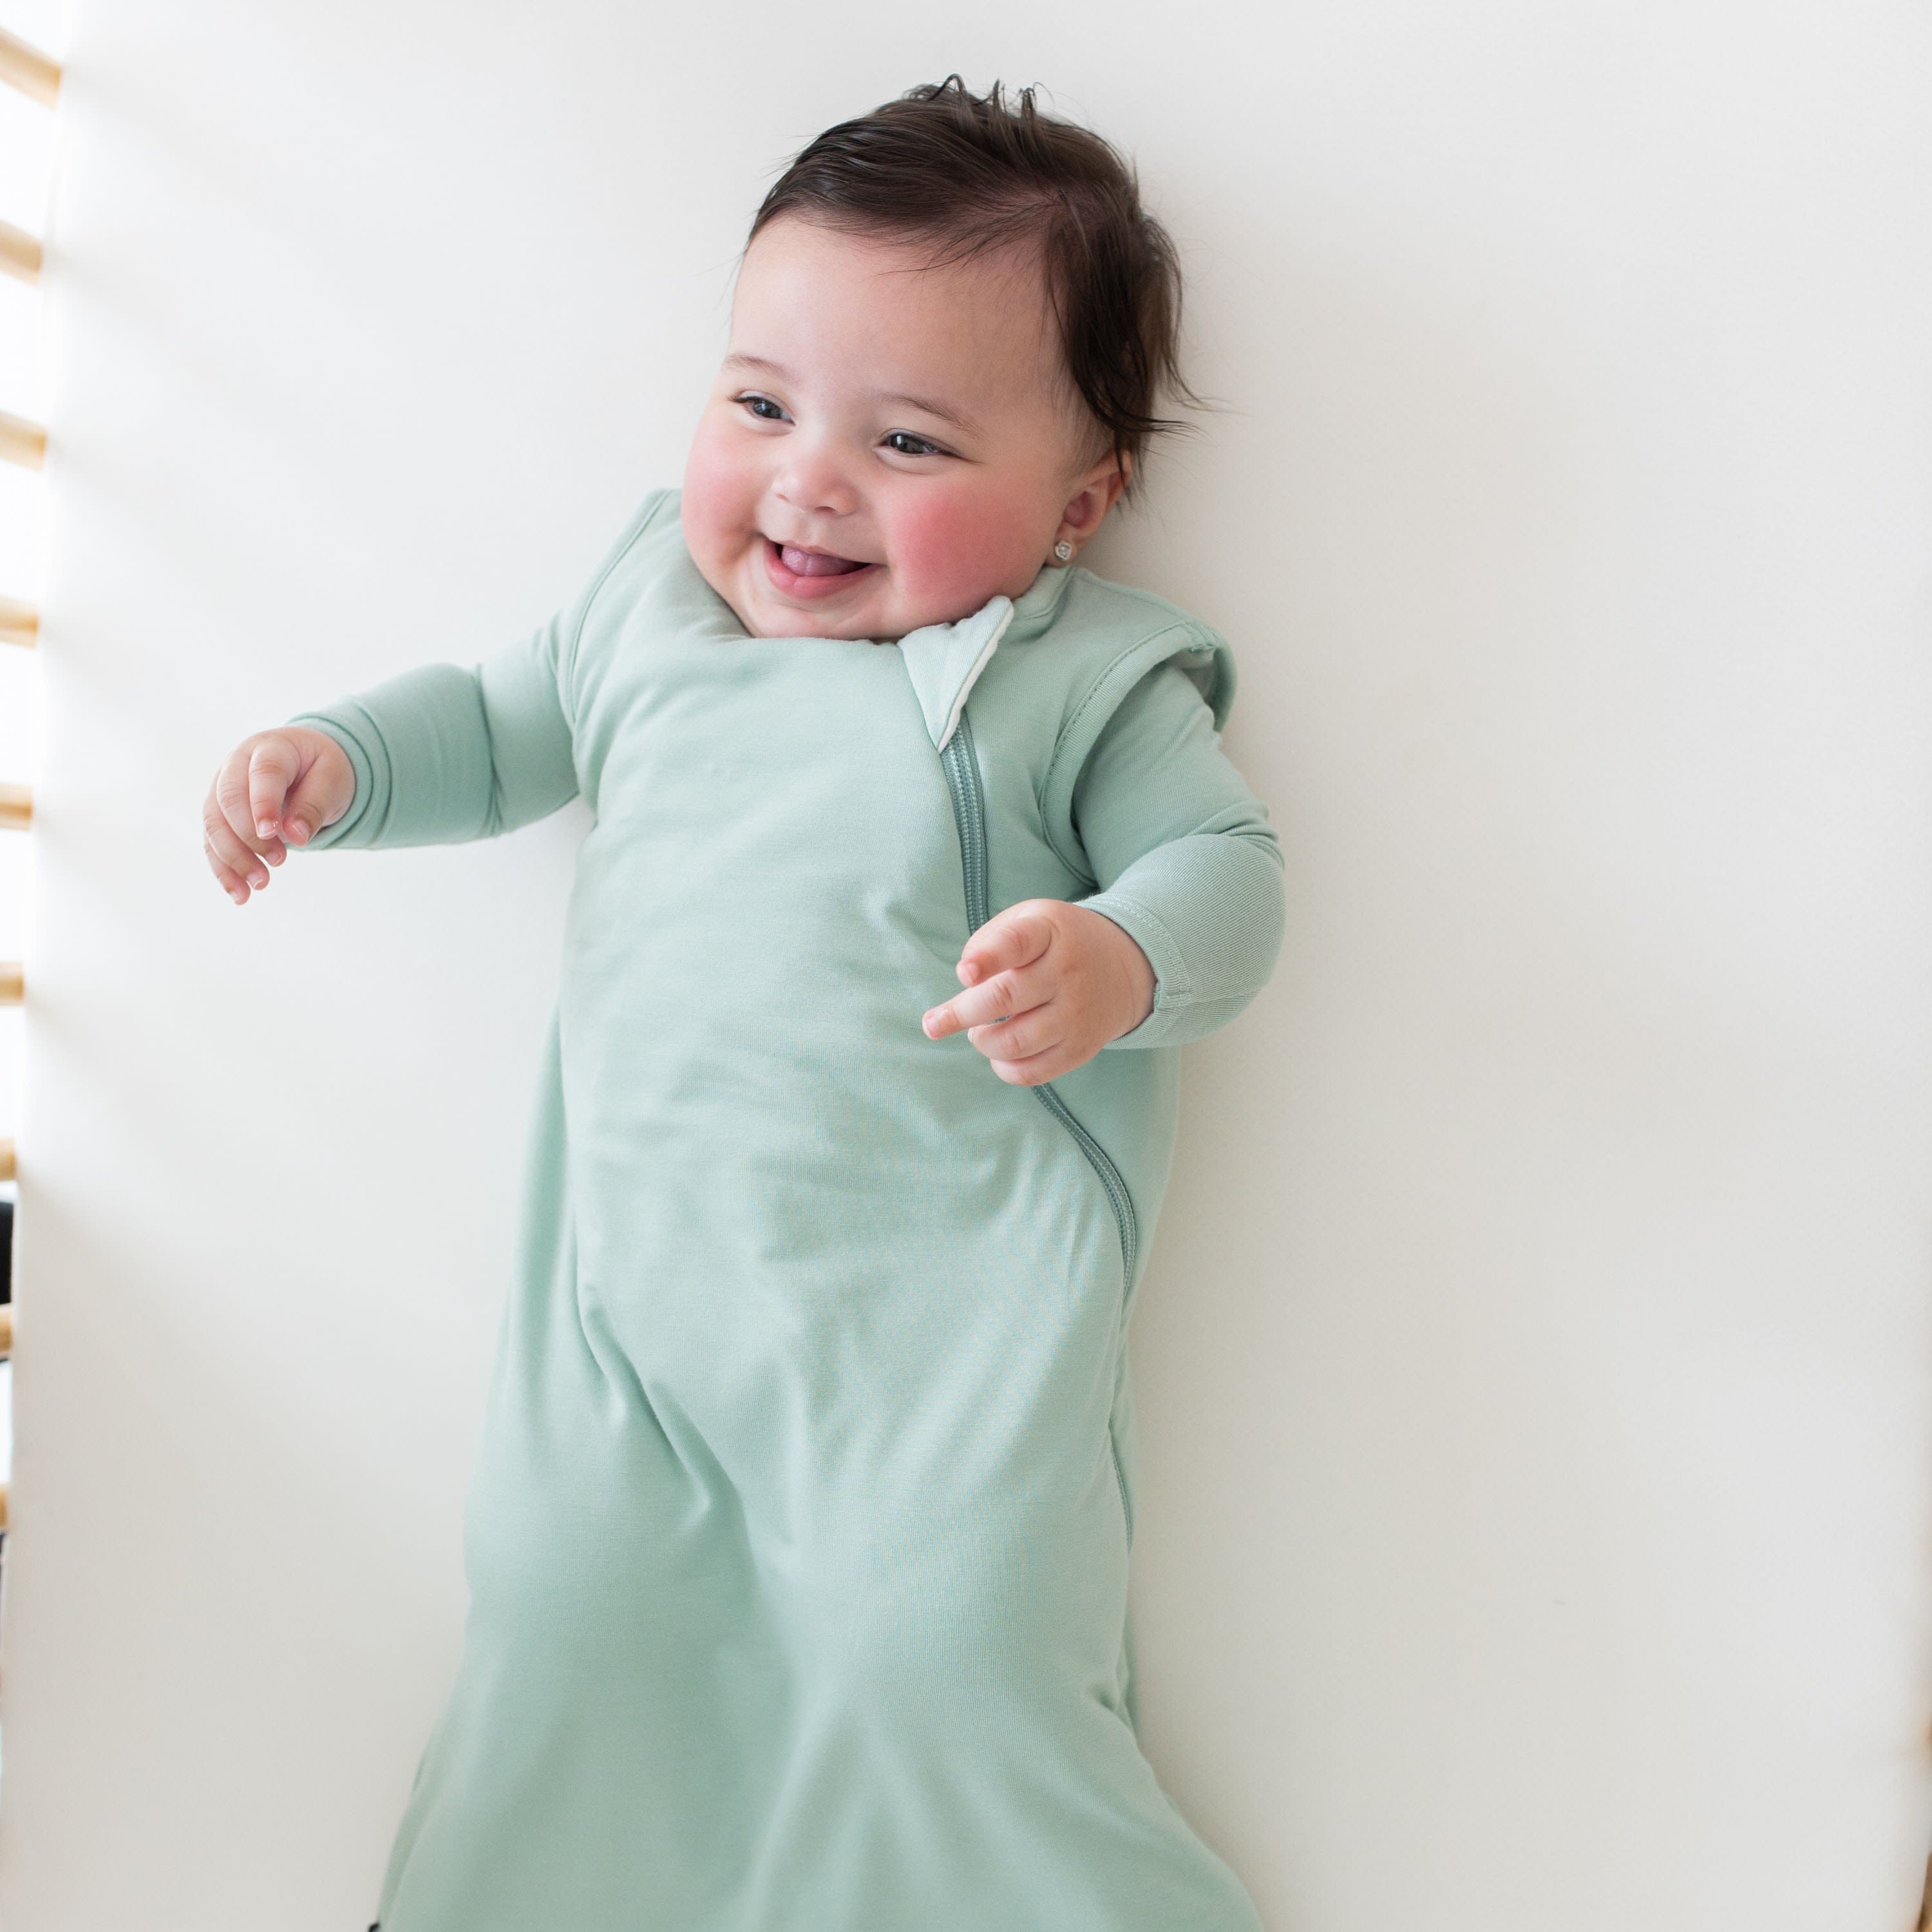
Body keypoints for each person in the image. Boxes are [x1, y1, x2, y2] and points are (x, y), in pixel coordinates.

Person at [203, 75, 1285, 1932]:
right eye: (761, 404)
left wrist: (1117, 960)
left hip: (943, 1347)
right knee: (561, 1611)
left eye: (910, 441)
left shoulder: (1075, 676)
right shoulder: (647, 606)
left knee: (948, 1655)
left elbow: (1231, 871)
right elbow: (497, 726)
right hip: (633, 1321)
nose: (810, 479)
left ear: (1082, 503)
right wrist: (339, 762)